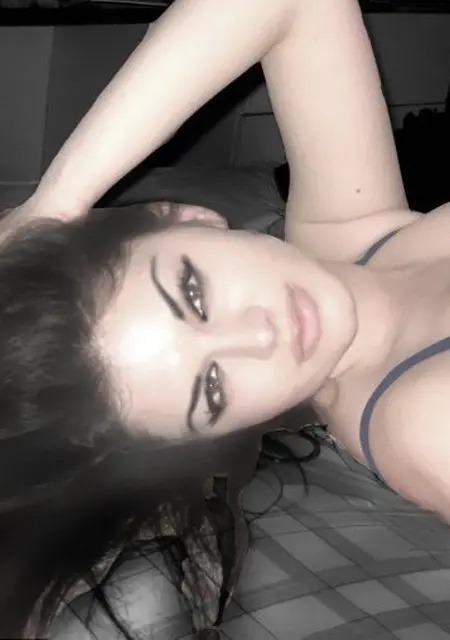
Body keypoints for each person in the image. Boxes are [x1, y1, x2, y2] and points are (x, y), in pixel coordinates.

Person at [3, 0, 450, 635]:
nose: (259, 334)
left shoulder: (349, 236)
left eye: (194, 292)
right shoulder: (425, 423)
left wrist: (53, 206)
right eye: (212, 389)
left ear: (182, 216)